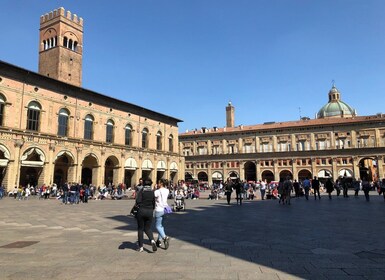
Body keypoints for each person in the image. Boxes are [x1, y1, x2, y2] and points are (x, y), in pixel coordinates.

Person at [135, 178, 157, 252]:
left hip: (141, 211)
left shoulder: (142, 191)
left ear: (144, 184)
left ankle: (141, 247)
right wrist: (151, 209)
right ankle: (152, 241)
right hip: (150, 211)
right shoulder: (152, 192)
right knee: (148, 228)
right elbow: (154, 203)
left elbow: (138, 201)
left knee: (140, 229)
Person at [154, 179, 170, 249]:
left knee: (157, 226)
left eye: (158, 183)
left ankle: (164, 237)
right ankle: (159, 241)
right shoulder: (167, 190)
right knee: (161, 226)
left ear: (161, 183)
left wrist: (154, 189)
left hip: (159, 209)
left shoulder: (157, 191)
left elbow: (153, 197)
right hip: (165, 210)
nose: (157, 184)